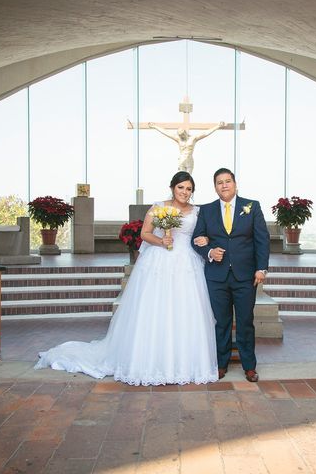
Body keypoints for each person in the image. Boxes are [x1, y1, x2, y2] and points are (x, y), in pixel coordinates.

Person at [36, 171, 218, 385]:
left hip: (187, 263)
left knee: (186, 310)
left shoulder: (198, 211)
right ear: (172, 188)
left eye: (189, 189)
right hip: (160, 259)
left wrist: (204, 238)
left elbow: (204, 233)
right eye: (181, 188)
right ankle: (151, 361)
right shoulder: (159, 207)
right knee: (155, 310)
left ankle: (185, 363)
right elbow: (145, 234)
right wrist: (162, 241)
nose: (185, 192)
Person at [192, 168, 270, 382]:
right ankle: (221, 364)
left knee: (245, 321)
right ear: (215, 187)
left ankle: (249, 366)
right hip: (216, 277)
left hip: (246, 276)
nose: (224, 185)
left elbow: (262, 240)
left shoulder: (252, 206)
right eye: (219, 182)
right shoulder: (206, 210)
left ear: (235, 184)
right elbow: (196, 239)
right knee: (222, 322)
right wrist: (209, 251)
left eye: (227, 181)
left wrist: (261, 268)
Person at [148, 122, 225, 173]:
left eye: (182, 134)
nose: (181, 136)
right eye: (179, 134)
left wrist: (218, 126)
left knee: (188, 179)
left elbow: (206, 133)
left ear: (185, 132)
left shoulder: (193, 138)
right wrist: (155, 126)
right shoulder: (178, 139)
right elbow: (166, 132)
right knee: (180, 178)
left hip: (189, 159)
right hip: (181, 160)